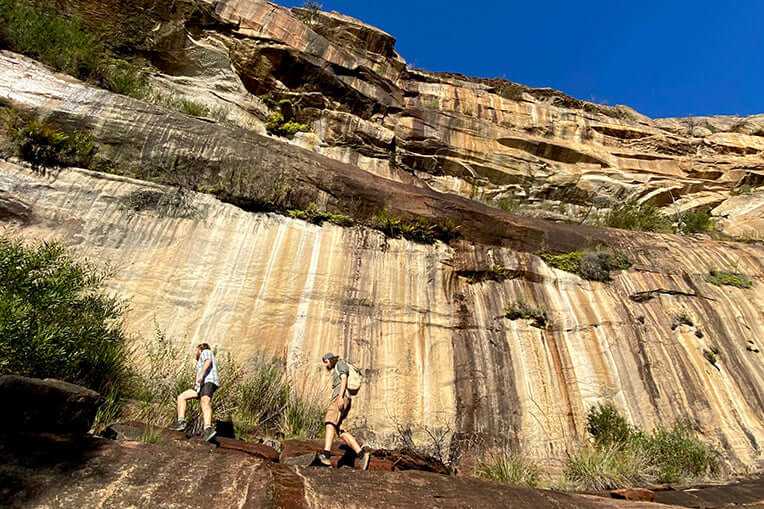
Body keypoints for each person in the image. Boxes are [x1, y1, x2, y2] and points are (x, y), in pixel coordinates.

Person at [318, 352, 371, 470]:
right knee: (340, 431)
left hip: (340, 398)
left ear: (330, 360)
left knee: (329, 421)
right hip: (342, 398)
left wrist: (340, 397)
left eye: (326, 362)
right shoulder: (337, 366)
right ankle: (362, 455)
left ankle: (326, 455)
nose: (326, 365)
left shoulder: (339, 364)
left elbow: (344, 378)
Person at [171, 343, 220, 442]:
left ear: (200, 349)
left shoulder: (206, 352)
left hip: (208, 381)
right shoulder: (199, 361)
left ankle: (207, 428)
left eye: (196, 350)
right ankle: (181, 421)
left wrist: (201, 374)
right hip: (200, 387)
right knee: (182, 397)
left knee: (205, 401)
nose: (195, 353)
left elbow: (208, 361)